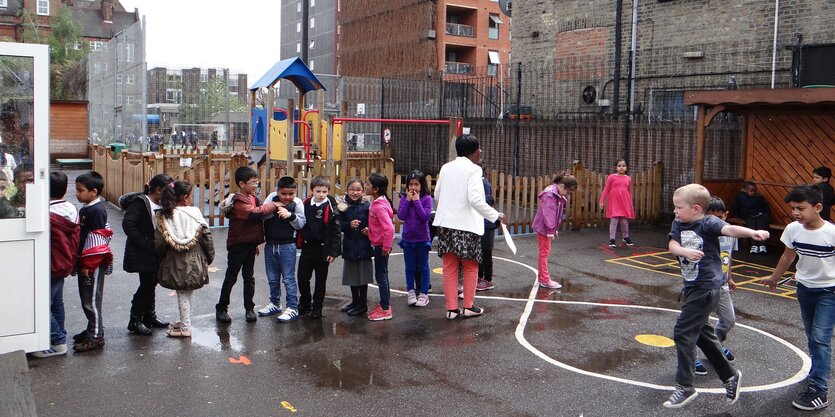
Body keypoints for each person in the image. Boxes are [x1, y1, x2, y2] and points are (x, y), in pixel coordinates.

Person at [663, 183, 768, 408]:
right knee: (701, 333)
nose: (675, 211)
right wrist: (684, 251)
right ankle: (730, 375)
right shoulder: (678, 223)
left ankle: (685, 386)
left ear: (696, 209)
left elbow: (730, 230)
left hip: (706, 287)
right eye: (674, 207)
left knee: (683, 332)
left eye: (678, 207)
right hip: (691, 286)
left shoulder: (709, 223)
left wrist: (753, 232)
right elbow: (672, 244)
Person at [762, 185, 835, 411]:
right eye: (793, 208)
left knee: (820, 339)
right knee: (812, 336)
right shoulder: (793, 229)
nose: (796, 213)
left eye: (801, 208)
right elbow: (787, 256)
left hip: (829, 292)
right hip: (804, 289)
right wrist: (774, 278)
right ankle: (816, 374)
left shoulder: (831, 233)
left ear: (818, 207)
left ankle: (819, 391)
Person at [432, 134, 503, 320]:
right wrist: (494, 215)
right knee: (471, 266)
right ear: (473, 151)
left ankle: (451, 309)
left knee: (450, 266)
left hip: (446, 224)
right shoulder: (474, 170)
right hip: (466, 226)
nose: (480, 152)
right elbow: (476, 200)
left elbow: (437, 194)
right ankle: (468, 306)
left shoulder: (446, 168)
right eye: (479, 149)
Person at [215, 166, 278, 323]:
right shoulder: (238, 200)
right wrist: (275, 205)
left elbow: (256, 221)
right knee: (231, 277)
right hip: (238, 245)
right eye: (253, 183)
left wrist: (256, 242)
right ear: (242, 184)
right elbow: (253, 213)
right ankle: (221, 308)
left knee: (249, 277)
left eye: (257, 183)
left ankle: (249, 308)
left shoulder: (253, 198)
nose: (255, 186)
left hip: (250, 244)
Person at [154, 181, 215, 337]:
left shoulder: (164, 215)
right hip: (196, 258)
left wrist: (162, 259)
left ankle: (185, 327)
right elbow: (206, 238)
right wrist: (209, 257)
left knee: (182, 294)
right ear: (186, 197)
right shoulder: (195, 213)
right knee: (188, 293)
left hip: (175, 260)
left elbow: (159, 243)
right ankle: (185, 321)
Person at [31, 172, 80, 358]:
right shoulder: (71, 209)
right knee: (56, 302)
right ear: (65, 189)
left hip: (49, 264)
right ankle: (59, 339)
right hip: (65, 262)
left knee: (41, 304)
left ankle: (57, 340)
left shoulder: (45, 212)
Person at [120, 174, 173, 336]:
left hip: (155, 252)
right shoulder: (141, 203)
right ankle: (135, 320)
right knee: (147, 285)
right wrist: (145, 243)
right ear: (158, 190)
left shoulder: (161, 203)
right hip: (143, 252)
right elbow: (129, 224)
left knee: (152, 283)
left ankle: (149, 316)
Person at [694, 197, 737, 376]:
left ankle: (715, 347)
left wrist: (730, 277)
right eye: (710, 217)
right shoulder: (701, 234)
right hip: (703, 285)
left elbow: (729, 256)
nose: (715, 222)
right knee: (697, 323)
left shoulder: (730, 234)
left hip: (721, 284)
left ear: (725, 215)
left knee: (728, 320)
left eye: (719, 217)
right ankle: (691, 356)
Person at [73, 171, 114, 352]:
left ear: (94, 192)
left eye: (80, 190)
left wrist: (88, 265)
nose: (76, 193)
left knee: (91, 300)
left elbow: (97, 242)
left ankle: (96, 336)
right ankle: (93, 328)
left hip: (93, 263)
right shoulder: (88, 208)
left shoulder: (96, 211)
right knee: (86, 298)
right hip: (86, 261)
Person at [258, 176, 306, 323]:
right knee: (272, 278)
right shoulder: (271, 198)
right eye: (283, 194)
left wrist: (290, 215)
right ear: (277, 191)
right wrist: (275, 207)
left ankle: (292, 307)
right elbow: (262, 215)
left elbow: (301, 223)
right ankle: (275, 303)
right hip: (270, 244)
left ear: (295, 192)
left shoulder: (297, 203)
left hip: (287, 246)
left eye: (290, 194)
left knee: (288, 278)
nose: (287, 197)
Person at [296, 175, 341, 319]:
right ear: (312, 191)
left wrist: (333, 252)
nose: (321, 194)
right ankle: (305, 303)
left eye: (324, 191)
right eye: (318, 191)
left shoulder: (331, 207)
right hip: (307, 247)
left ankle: (317, 307)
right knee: (302, 278)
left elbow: (336, 231)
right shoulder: (305, 204)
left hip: (323, 249)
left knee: (320, 280)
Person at [531, 172, 578, 289]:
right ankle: (544, 279)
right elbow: (549, 215)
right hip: (544, 228)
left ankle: (543, 278)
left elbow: (555, 214)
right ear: (562, 186)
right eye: (568, 192)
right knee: (544, 253)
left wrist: (554, 229)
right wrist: (550, 231)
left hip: (546, 227)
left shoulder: (557, 194)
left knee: (545, 252)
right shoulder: (550, 195)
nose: (568, 195)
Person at [337, 178, 373, 316]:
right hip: (350, 244)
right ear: (346, 190)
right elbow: (338, 224)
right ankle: (355, 301)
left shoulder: (367, 205)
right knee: (352, 275)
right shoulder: (342, 206)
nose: (355, 192)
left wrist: (369, 229)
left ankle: (362, 304)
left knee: (363, 276)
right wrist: (348, 225)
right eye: (352, 189)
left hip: (364, 245)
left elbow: (375, 222)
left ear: (363, 192)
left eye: (358, 189)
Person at [397, 170, 433, 307]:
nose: (413, 188)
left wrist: (417, 202)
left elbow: (425, 217)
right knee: (409, 267)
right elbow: (401, 215)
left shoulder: (427, 199)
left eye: (416, 184)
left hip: (422, 239)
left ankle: (424, 293)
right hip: (407, 239)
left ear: (422, 185)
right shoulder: (404, 198)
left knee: (423, 267)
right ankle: (411, 291)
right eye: (411, 184)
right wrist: (407, 200)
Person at [366, 173, 395, 320]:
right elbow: (378, 224)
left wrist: (385, 247)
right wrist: (370, 230)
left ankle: (385, 309)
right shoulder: (381, 202)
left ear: (376, 189)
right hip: (380, 243)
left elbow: (389, 228)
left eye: (367, 184)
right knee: (383, 274)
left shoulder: (378, 206)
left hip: (380, 246)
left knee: (381, 276)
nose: (365, 186)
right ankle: (385, 305)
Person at [600, 159, 636, 247]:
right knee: (614, 220)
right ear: (616, 167)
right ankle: (612, 239)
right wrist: (602, 201)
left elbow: (629, 192)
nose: (621, 168)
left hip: (624, 202)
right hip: (614, 201)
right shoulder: (611, 177)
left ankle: (626, 237)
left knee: (624, 221)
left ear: (626, 168)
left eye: (623, 166)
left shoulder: (628, 178)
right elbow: (606, 189)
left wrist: (630, 203)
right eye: (619, 166)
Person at [730, 181, 771, 254]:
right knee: (752, 225)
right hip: (748, 216)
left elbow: (765, 208)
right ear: (745, 190)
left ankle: (762, 244)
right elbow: (736, 207)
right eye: (751, 191)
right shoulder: (741, 197)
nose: (753, 193)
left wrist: (763, 213)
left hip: (760, 215)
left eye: (754, 191)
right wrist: (735, 216)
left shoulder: (759, 197)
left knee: (760, 224)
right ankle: (754, 245)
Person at [478, 166, 499, 291]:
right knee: (482, 252)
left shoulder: (483, 183)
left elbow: (486, 201)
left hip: (486, 223)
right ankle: (481, 278)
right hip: (485, 222)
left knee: (485, 252)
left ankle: (487, 279)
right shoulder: (483, 182)